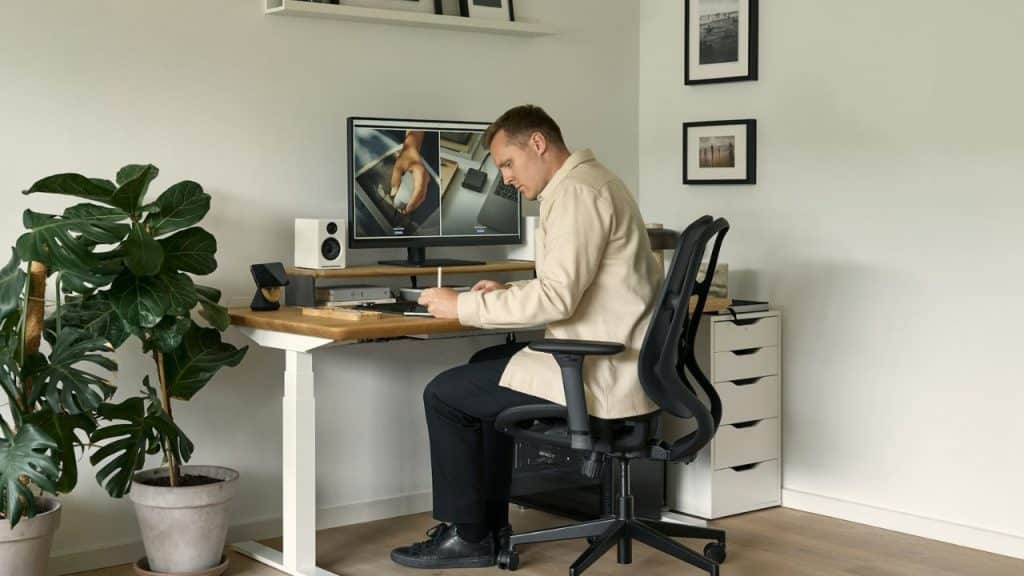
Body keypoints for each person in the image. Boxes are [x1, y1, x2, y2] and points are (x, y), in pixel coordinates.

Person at [389, 105, 664, 569]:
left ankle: (468, 536)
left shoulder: (576, 193)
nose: (506, 178)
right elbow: (574, 285)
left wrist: (462, 306)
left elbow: (557, 299)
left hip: (598, 369)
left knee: (444, 395)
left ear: (538, 143)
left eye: (508, 164)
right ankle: (489, 527)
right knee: (483, 366)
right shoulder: (593, 182)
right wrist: (508, 292)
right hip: (613, 355)